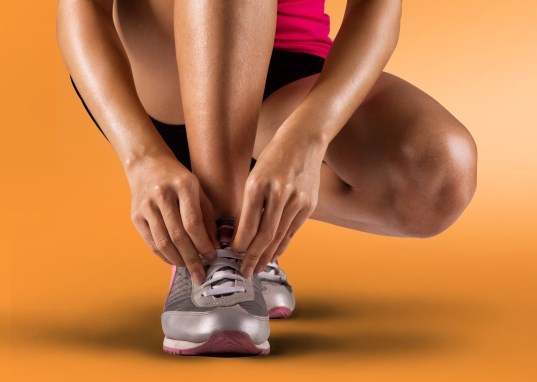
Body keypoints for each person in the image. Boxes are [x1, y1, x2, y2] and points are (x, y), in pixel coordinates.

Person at [56, 0, 477, 355]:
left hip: (292, 78)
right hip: (165, 74)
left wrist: (311, 136)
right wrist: (141, 157)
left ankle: (250, 235)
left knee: (438, 175)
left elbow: (378, 12)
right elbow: (81, 9)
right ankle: (213, 250)